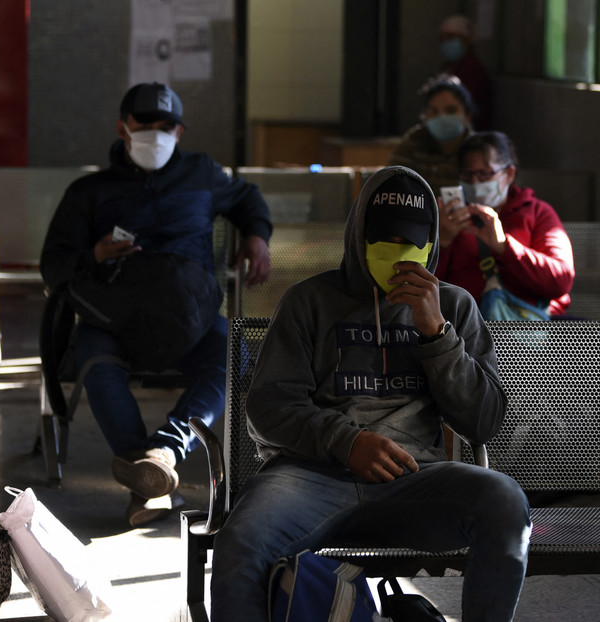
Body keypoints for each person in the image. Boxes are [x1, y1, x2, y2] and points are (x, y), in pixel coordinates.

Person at [210, 166, 531, 621]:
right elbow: (268, 407)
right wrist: (346, 441)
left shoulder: (454, 306)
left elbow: (485, 421)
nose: (399, 255)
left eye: (410, 243)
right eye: (384, 242)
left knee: (504, 501)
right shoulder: (310, 302)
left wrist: (437, 335)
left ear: (431, 243)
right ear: (358, 237)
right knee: (241, 540)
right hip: (310, 477)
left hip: (415, 479)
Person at [40, 82, 273, 527]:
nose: (155, 133)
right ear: (122, 129)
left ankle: (161, 454)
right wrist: (96, 255)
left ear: (180, 132)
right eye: (144, 124)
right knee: (95, 358)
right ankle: (147, 477)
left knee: (233, 352)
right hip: (115, 320)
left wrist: (257, 235)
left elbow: (247, 198)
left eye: (165, 126)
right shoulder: (89, 192)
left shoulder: (202, 174)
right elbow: (53, 266)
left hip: (192, 319)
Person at [435, 131, 575, 318]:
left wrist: (503, 246)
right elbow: (427, 288)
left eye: (484, 174)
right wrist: (441, 241)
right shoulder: (449, 219)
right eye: (467, 174)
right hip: (465, 330)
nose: (475, 182)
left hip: (530, 332)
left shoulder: (537, 212)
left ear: (509, 173)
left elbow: (560, 281)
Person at [388, 75, 476, 193]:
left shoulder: (477, 149)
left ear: (467, 115)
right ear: (425, 115)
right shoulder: (412, 145)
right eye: (434, 111)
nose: (442, 117)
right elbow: (393, 187)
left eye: (450, 110)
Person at [438, 14, 492, 130]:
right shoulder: (448, 66)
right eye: (442, 38)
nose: (446, 42)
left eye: (451, 37)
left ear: (466, 40)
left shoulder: (472, 68)